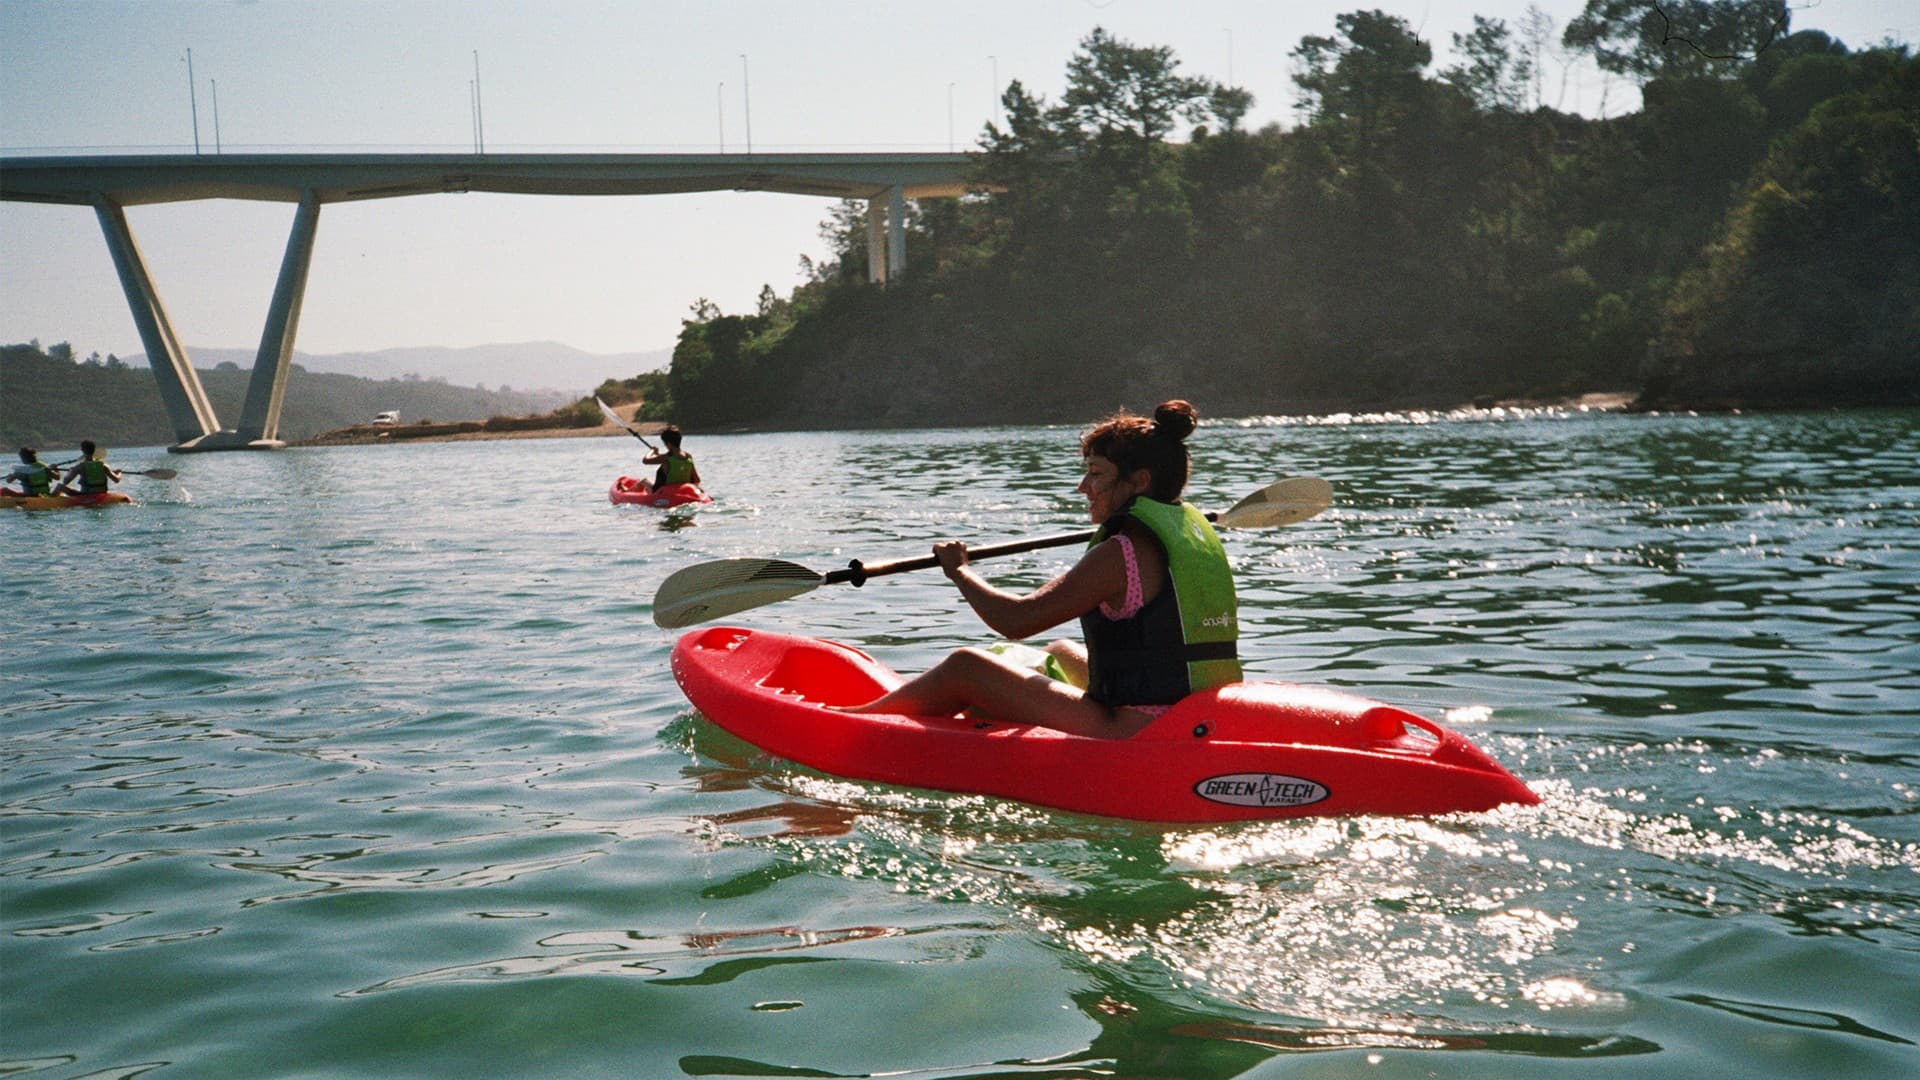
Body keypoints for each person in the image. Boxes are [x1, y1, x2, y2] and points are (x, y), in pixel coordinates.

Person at [844, 399, 1241, 738]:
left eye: (1097, 474)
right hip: (1194, 713)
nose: (1083, 487)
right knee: (1061, 651)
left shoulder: (1120, 552)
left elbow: (1016, 620)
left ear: (1139, 482)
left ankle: (849, 723)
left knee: (965, 667)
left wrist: (959, 570)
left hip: (1137, 728)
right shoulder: (1188, 534)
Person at [55, 440, 122, 495]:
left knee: (60, 486)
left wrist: (71, 471)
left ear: (82, 450)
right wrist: (119, 473)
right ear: (94, 451)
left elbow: (65, 481)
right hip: (102, 493)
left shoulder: (80, 467)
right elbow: (116, 480)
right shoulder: (103, 465)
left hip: (86, 495)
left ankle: (50, 501)